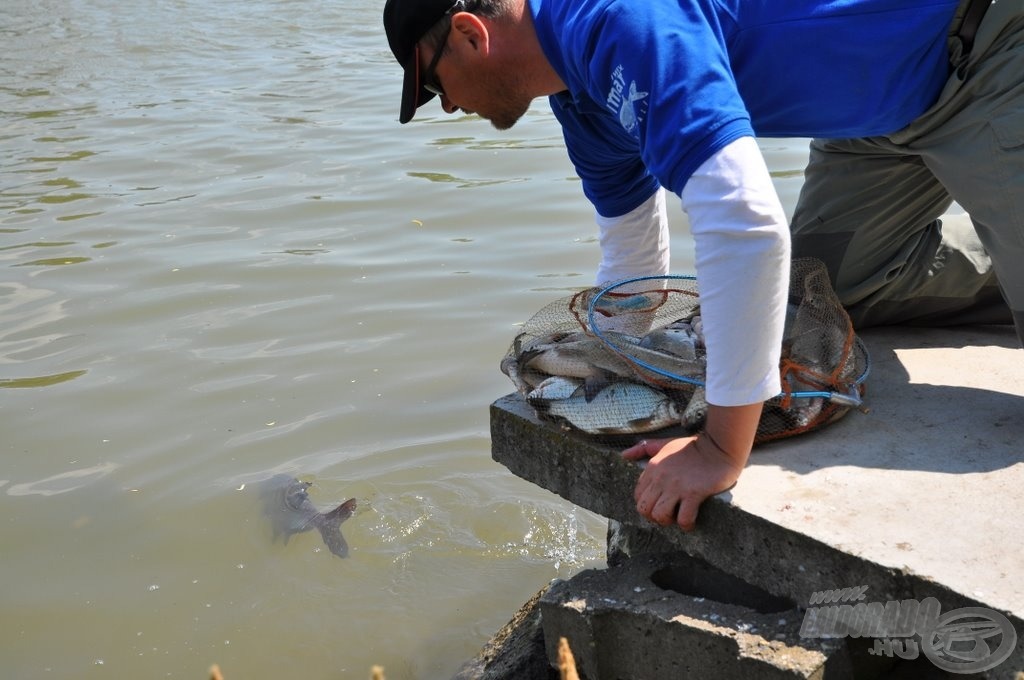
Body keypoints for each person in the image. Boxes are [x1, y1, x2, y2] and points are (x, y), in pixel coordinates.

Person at [383, 0, 1022, 530]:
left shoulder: (621, 20)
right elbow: (632, 256)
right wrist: (622, 371)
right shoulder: (577, 100)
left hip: (982, 49)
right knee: (831, 295)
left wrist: (720, 446)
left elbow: (746, 228)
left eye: (434, 84)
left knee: (775, 285)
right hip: (870, 113)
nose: (446, 107)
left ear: (471, 34)